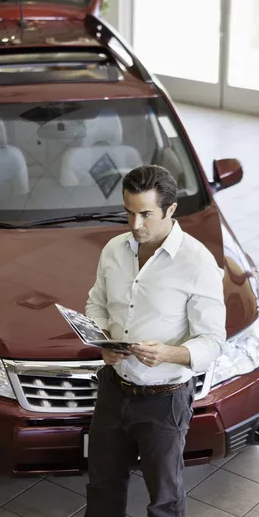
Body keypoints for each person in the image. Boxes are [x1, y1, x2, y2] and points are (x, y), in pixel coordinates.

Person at [84, 165, 226, 517]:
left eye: (146, 214)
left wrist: (170, 354)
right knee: (102, 485)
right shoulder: (114, 250)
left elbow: (213, 342)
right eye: (129, 212)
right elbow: (96, 302)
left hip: (165, 402)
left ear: (170, 210)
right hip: (114, 389)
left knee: (164, 498)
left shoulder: (198, 264)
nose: (135, 225)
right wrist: (103, 339)